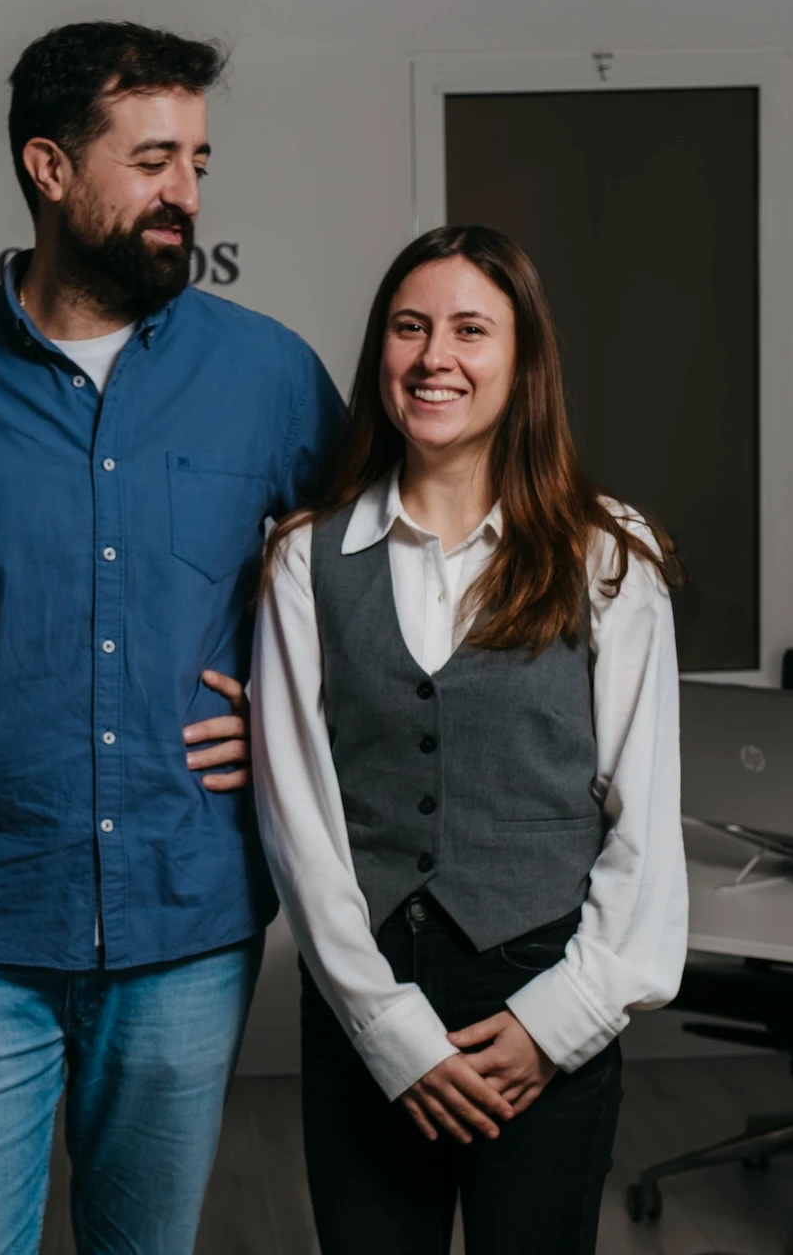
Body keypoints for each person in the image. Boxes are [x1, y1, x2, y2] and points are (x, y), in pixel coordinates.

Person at [0, 21, 342, 1255]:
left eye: (197, 161)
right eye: (152, 161)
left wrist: (294, 716)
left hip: (186, 927)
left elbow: (374, 596)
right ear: (49, 168)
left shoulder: (269, 374)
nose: (186, 192)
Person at [251, 224, 687, 1255]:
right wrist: (385, 1025)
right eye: (409, 328)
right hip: (364, 1000)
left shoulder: (608, 555)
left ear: (524, 360)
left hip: (544, 995)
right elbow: (297, 819)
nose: (434, 356)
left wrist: (558, 1022)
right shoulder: (304, 557)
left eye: (470, 330)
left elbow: (644, 822)